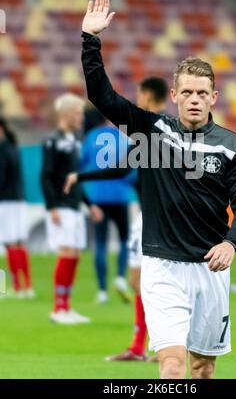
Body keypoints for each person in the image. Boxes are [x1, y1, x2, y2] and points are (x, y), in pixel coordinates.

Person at [80, 0, 236, 379]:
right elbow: (102, 96)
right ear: (174, 96)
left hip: (210, 269)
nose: (194, 100)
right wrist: (90, 41)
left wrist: (230, 242)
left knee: (203, 368)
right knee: (173, 367)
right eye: (187, 92)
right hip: (162, 267)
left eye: (202, 93)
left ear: (214, 97)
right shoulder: (153, 129)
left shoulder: (231, 145)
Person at [64, 76, 168, 361]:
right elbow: (122, 169)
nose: (136, 98)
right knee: (142, 281)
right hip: (149, 215)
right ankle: (144, 346)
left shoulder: (159, 129)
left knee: (150, 282)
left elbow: (123, 169)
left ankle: (161, 344)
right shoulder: (156, 129)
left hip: (158, 218)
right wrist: (82, 176)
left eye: (138, 94)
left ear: (147, 95)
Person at [41, 93, 102, 325]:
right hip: (61, 206)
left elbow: (75, 179)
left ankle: (67, 305)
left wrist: (89, 204)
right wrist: (52, 206)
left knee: (75, 254)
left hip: (75, 205)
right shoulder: (53, 141)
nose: (81, 117)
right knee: (66, 253)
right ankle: (58, 307)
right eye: (77, 113)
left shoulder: (76, 139)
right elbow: (46, 176)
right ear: (65, 114)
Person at [80, 109, 133, 304]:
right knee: (125, 239)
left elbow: (81, 163)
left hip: (97, 197)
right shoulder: (125, 138)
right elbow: (131, 172)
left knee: (100, 243)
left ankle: (102, 291)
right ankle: (120, 276)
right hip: (120, 196)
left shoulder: (92, 137)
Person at [0, 118, 34, 298]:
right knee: (19, 242)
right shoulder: (13, 147)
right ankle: (27, 285)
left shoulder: (3, 150)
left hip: (5, 202)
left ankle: (17, 286)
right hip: (18, 200)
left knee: (9, 243)